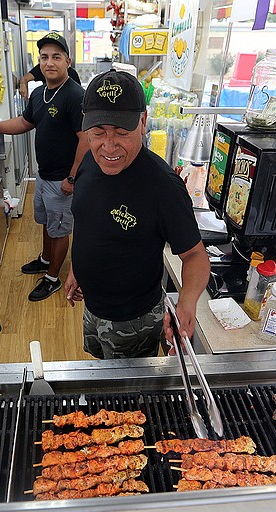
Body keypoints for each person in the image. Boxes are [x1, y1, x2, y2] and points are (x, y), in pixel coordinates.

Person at [65, 70, 210, 359]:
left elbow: (195, 256)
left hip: (133, 320)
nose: (108, 146)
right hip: (92, 307)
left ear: (142, 122)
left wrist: (187, 301)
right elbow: (86, 220)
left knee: (127, 394)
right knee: (99, 370)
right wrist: (75, 268)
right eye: (98, 132)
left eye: (121, 133)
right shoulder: (89, 162)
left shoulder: (162, 186)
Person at [0, 32, 88, 302]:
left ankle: (53, 278)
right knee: (47, 224)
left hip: (61, 181)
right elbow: (24, 123)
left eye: (56, 57)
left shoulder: (74, 95)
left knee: (60, 230)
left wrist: (72, 177)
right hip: (43, 177)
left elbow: (86, 140)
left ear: (67, 61)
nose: (49, 62)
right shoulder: (39, 94)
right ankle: (46, 260)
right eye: (44, 57)